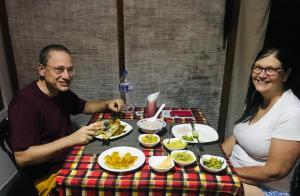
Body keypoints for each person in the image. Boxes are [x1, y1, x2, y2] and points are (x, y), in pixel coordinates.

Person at [8, 44, 124, 195]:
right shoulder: (24, 103)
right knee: (111, 184)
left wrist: (107, 103)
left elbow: (85, 106)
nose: (66, 75)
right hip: (48, 175)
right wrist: (71, 139)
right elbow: (22, 157)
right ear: (41, 69)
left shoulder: (59, 91)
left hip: (70, 156)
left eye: (69, 69)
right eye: (59, 69)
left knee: (117, 161)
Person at [222, 46, 300, 196]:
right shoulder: (257, 99)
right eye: (257, 68)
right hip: (234, 174)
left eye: (270, 69)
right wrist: (215, 160)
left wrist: (226, 172)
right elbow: (237, 137)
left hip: (266, 188)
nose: (262, 75)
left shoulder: (293, 111)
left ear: (285, 75)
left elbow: (274, 172)